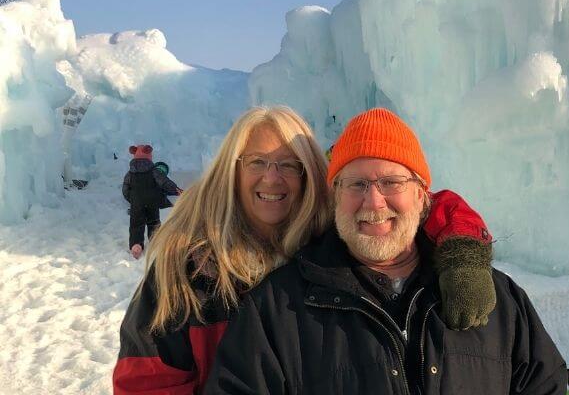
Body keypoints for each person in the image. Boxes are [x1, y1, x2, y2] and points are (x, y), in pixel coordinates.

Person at [113, 107, 497, 394]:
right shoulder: (189, 273)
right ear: (232, 170)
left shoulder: (329, 242)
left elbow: (424, 205)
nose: (272, 177)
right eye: (257, 162)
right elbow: (144, 383)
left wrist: (464, 254)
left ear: (310, 174)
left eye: (289, 165)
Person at [203, 107, 567, 394]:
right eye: (356, 184)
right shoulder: (275, 312)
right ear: (334, 198)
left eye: (392, 182)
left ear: (422, 197)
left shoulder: (500, 301)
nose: (373, 202)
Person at [122, 144, 182, 259]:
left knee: (136, 224)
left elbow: (125, 189)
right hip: (152, 202)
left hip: (136, 203)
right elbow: (164, 182)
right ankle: (156, 242)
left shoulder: (130, 173)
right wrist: (176, 190)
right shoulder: (154, 171)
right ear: (149, 157)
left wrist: (132, 199)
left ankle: (136, 245)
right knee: (153, 222)